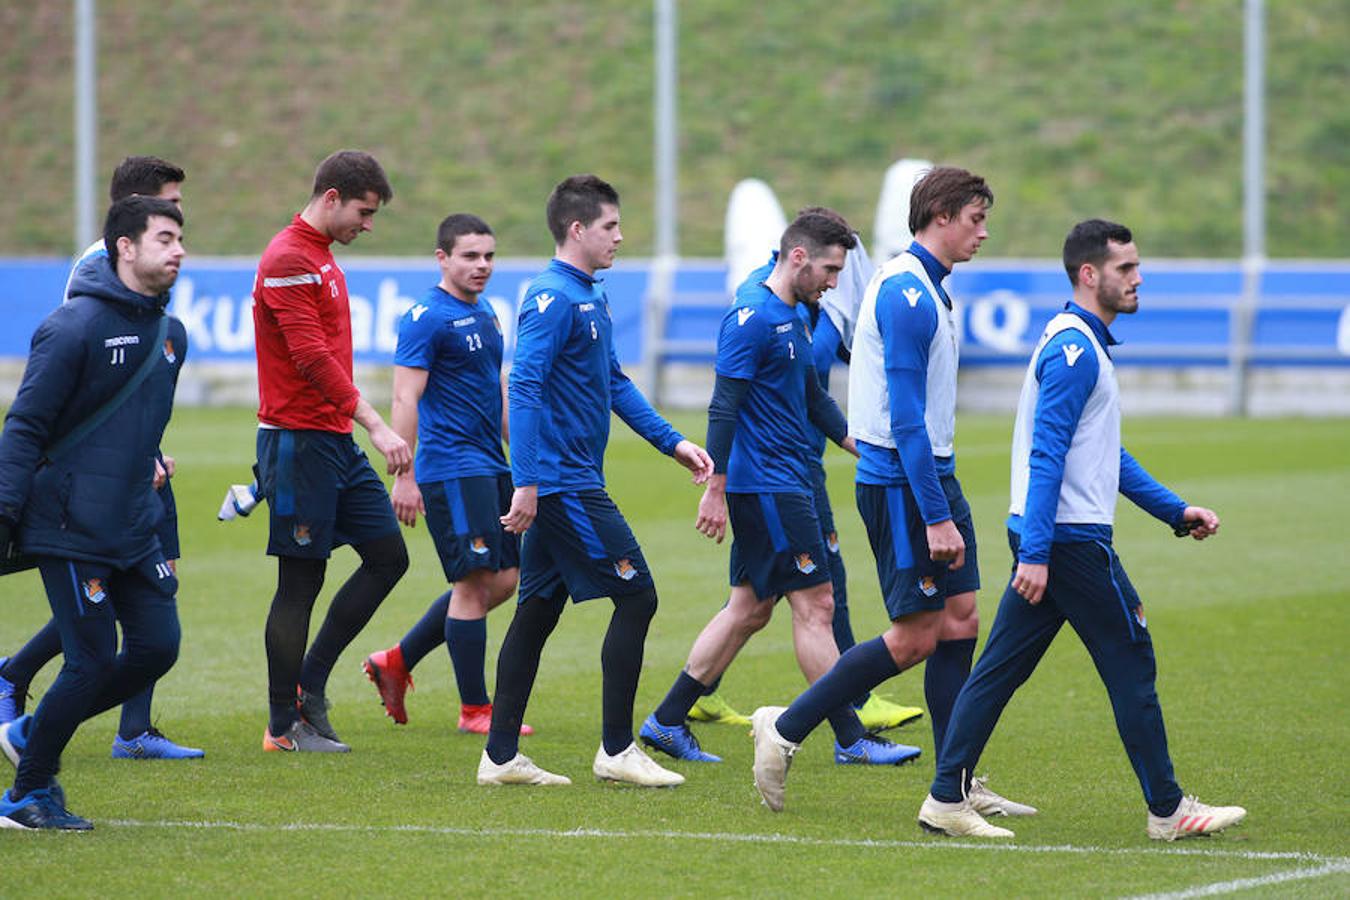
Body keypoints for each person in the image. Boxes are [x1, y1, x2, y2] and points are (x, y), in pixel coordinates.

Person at [917, 219, 1246, 840]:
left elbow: (1105, 456)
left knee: (999, 670)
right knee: (1131, 661)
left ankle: (944, 796)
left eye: (1138, 266)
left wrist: (1174, 511)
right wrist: (1037, 554)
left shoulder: (1080, 344)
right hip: (1067, 543)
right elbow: (1047, 456)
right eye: (1126, 268)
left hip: (1053, 539)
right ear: (1089, 274)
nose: (1138, 278)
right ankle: (1168, 810)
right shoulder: (1074, 352)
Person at [749, 167, 1028, 815]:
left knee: (962, 621)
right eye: (974, 219)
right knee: (913, 638)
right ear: (939, 216)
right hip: (904, 484)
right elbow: (904, 417)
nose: (982, 232)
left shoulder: (929, 287)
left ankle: (954, 782)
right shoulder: (905, 294)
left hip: (932, 473)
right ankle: (786, 728)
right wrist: (936, 515)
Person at [639, 211, 920, 771]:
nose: (835, 282)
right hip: (768, 485)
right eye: (829, 269)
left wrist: (858, 444)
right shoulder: (752, 318)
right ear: (797, 256)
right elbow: (724, 406)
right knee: (815, 605)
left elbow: (812, 397)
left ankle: (667, 720)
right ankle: (849, 735)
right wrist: (713, 489)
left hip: (786, 480)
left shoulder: (795, 313)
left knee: (748, 608)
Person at [476, 174, 713, 787]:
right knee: (639, 596)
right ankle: (615, 749)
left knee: (536, 610)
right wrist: (526, 481)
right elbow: (522, 387)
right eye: (610, 226)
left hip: (567, 478)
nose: (620, 235)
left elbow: (614, 383)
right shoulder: (551, 297)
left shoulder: (590, 295)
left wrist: (674, 442)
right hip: (562, 484)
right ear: (577, 230)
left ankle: (499, 757)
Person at [0, 155, 201, 760]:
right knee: (92, 654)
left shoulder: (170, 331)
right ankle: (35, 776)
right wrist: (7, 508)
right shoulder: (80, 313)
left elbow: (136, 408)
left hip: (131, 504)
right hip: (76, 510)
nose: (180, 246)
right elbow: (33, 422)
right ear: (126, 241)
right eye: (168, 231)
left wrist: (150, 457)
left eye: (181, 234)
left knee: (154, 643)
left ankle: (40, 730)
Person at [251, 150, 411, 753]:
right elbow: (310, 358)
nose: (367, 225)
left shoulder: (319, 257)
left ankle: (308, 687)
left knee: (386, 555)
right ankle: (282, 725)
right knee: (300, 584)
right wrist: (375, 423)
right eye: (364, 213)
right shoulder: (289, 258)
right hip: (298, 441)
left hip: (330, 439)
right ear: (333, 196)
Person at [361, 214, 532, 736]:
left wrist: (522, 455)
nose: (482, 266)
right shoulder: (426, 318)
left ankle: (396, 659)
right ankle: (475, 710)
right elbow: (405, 397)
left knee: (502, 580)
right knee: (474, 583)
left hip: (491, 465)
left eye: (488, 256)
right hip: (451, 468)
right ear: (442, 258)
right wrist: (404, 475)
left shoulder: (486, 316)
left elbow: (494, 389)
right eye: (470, 257)